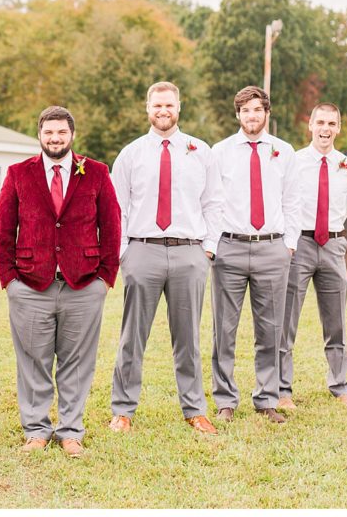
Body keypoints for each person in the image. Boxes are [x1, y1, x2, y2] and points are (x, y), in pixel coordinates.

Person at [0, 106, 121, 458]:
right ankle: (36, 429)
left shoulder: (95, 172)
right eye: (49, 132)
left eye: (61, 132)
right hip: (31, 285)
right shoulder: (19, 173)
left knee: (77, 362)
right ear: (40, 135)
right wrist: (10, 280)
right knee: (32, 361)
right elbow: (3, 228)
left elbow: (112, 226)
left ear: (72, 135)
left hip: (83, 285)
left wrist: (104, 278)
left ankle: (70, 431)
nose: (55, 138)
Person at [108, 82, 225, 435]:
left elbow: (214, 203)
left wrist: (207, 250)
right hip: (142, 249)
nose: (163, 110)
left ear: (179, 106)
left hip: (189, 252)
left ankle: (194, 409)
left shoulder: (200, 151)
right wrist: (125, 254)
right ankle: (123, 409)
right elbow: (118, 208)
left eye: (169, 105)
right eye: (157, 104)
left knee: (188, 337)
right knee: (133, 335)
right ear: (147, 107)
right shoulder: (131, 154)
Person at [209, 85, 300, 423]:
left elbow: (293, 200)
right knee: (224, 329)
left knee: (271, 328)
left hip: (272, 247)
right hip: (230, 248)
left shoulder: (284, 151)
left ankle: (267, 399)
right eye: (246, 110)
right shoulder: (219, 152)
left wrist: (288, 243)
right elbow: (212, 201)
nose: (252, 116)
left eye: (257, 110)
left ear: (267, 113)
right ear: (238, 115)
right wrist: (213, 244)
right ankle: (225, 400)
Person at [278, 103, 347, 410]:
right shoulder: (294, 162)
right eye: (320, 122)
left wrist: (332, 237)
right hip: (300, 243)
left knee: (336, 319)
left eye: (332, 123)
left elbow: (346, 207)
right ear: (309, 125)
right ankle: (283, 389)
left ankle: (340, 384)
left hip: (334, 245)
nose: (326, 129)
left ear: (339, 128)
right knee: (287, 320)